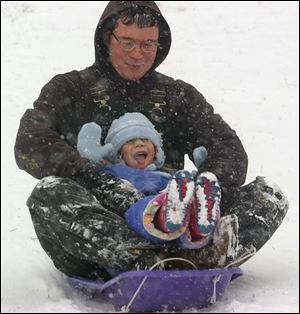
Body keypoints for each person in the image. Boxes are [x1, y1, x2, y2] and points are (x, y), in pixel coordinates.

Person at [14, 1, 288, 281]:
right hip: (101, 228)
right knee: (48, 194)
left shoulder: (177, 95)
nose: (137, 54)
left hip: (178, 216)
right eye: (128, 42)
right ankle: (146, 259)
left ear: (160, 44)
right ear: (108, 37)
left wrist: (202, 187)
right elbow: (29, 142)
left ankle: (198, 253)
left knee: (269, 196)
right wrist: (94, 178)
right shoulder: (71, 89)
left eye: (148, 45)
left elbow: (228, 147)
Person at [77, 112, 219, 248]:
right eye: (130, 140)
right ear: (118, 153)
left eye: (146, 140)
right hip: (136, 215)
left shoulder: (168, 177)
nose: (139, 144)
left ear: (156, 151)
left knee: (186, 200)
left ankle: (199, 224)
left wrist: (201, 175)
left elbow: (183, 187)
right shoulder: (113, 172)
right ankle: (166, 214)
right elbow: (92, 180)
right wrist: (90, 160)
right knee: (137, 211)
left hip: (170, 205)